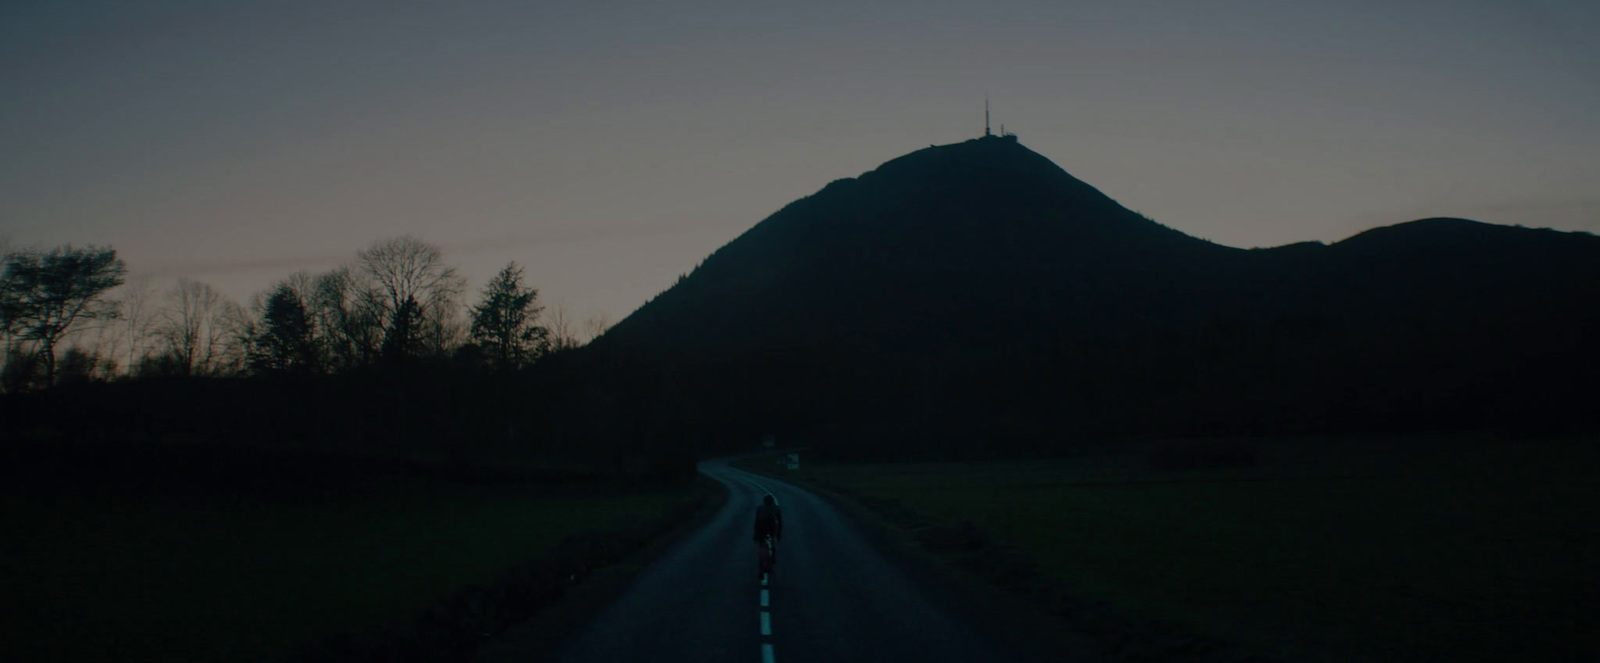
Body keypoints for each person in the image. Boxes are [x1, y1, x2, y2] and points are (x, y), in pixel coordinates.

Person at [753, 494, 783, 563]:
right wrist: (778, 534)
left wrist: (756, 534)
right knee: (772, 542)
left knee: (761, 544)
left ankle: (761, 559)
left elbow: (757, 522)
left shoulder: (760, 508)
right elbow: (780, 522)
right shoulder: (776, 509)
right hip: (772, 528)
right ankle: (772, 557)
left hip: (761, 528)